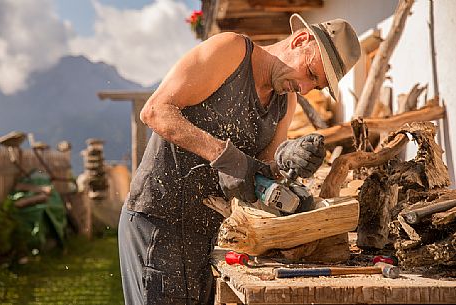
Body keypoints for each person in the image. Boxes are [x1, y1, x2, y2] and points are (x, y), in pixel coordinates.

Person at [118, 13, 361, 305]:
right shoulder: (231, 51)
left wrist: (288, 159)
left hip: (208, 232)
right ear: (300, 40)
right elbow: (156, 111)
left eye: (316, 86)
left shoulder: (286, 102)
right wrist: (224, 155)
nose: (306, 88)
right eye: (310, 74)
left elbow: (260, 172)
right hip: (159, 218)